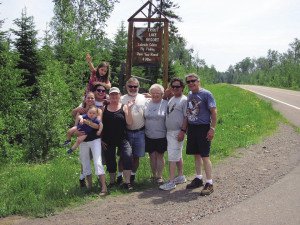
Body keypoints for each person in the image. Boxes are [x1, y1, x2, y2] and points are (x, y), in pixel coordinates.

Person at [185, 73, 217, 196]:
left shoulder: (206, 94)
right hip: (192, 127)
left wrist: (212, 128)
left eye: (193, 81)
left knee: (205, 155)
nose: (191, 83)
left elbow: (213, 112)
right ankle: (198, 178)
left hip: (203, 128)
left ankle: (209, 183)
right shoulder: (189, 94)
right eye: (188, 82)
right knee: (196, 154)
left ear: (199, 81)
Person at [102, 87, 134, 190]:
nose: (114, 97)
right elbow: (100, 124)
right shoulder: (104, 108)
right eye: (112, 95)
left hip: (122, 138)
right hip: (108, 140)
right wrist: (101, 139)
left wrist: (129, 109)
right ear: (109, 96)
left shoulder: (124, 107)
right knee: (110, 160)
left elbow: (129, 123)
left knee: (128, 156)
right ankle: (112, 182)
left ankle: (127, 182)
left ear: (119, 95)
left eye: (116, 94)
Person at [159, 78, 188, 191]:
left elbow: (186, 117)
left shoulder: (184, 100)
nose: (175, 88)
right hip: (170, 132)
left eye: (178, 87)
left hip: (177, 131)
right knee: (178, 155)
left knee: (172, 157)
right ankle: (180, 176)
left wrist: (182, 131)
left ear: (182, 88)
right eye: (173, 86)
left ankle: (171, 182)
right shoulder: (172, 99)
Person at [117, 77, 147, 185]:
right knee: (123, 156)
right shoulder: (121, 99)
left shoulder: (144, 98)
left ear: (138, 87)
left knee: (136, 156)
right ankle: (119, 176)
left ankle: (132, 176)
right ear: (126, 87)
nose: (133, 88)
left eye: (135, 86)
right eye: (130, 86)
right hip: (126, 132)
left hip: (140, 132)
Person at [77, 106, 107, 196]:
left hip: (95, 140)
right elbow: (76, 124)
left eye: (93, 113)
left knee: (97, 162)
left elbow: (97, 126)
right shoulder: (83, 115)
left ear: (96, 113)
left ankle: (104, 187)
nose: (91, 114)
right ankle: (90, 187)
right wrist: (81, 118)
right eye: (90, 112)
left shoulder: (96, 116)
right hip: (83, 142)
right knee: (85, 162)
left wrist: (86, 121)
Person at [144, 84, 168, 185]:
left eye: (157, 93)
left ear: (162, 94)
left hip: (161, 135)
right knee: (152, 155)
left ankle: (159, 176)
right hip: (148, 134)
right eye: (153, 93)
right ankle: (153, 175)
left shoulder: (166, 103)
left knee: (159, 155)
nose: (155, 95)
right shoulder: (147, 103)